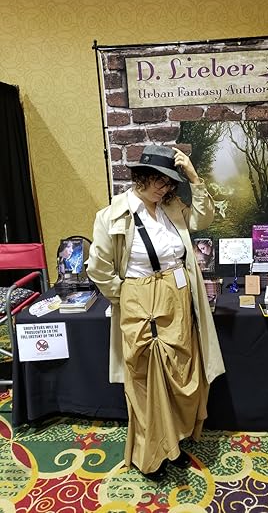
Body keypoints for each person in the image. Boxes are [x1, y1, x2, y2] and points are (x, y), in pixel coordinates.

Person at [86, 144, 225, 482]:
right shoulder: (112, 215)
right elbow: (98, 269)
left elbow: (204, 219)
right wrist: (129, 296)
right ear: (142, 177)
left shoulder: (171, 207)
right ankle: (150, 454)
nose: (165, 188)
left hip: (179, 297)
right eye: (160, 181)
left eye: (170, 183)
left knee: (180, 373)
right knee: (146, 380)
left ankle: (173, 444)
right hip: (140, 301)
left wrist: (194, 177)